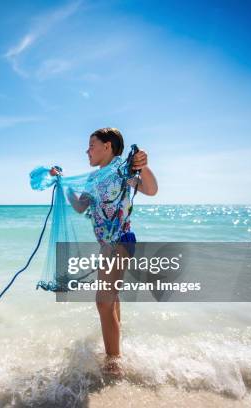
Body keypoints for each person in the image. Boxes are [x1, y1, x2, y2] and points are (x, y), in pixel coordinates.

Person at [60, 127, 158, 375]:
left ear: (108, 146)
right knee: (110, 300)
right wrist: (65, 185)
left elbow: (151, 189)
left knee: (103, 302)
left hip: (121, 241)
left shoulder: (122, 171)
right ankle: (116, 346)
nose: (87, 150)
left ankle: (114, 363)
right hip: (107, 246)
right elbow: (81, 207)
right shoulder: (93, 179)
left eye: (92, 145)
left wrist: (143, 166)